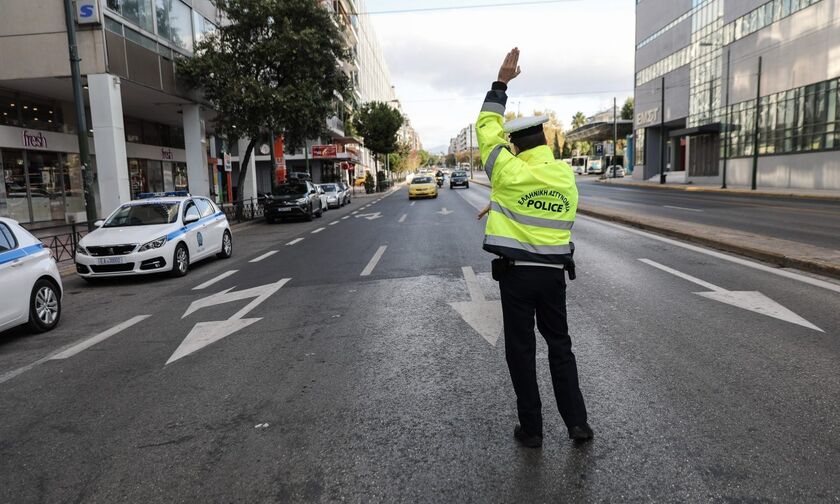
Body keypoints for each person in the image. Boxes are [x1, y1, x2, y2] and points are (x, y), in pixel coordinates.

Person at [477, 48, 593, 448]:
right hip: (553, 277)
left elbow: (485, 128)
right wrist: (500, 201)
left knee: (522, 352)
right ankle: (577, 423)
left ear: (515, 146)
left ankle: (532, 430)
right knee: (560, 347)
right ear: (544, 141)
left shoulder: (507, 172)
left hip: (516, 276)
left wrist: (500, 84)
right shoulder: (565, 177)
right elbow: (543, 204)